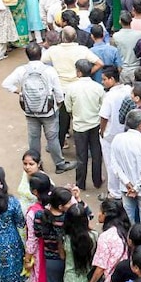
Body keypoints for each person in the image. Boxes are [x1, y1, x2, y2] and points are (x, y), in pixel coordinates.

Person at [2, 43, 75, 173]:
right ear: (41, 54)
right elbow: (58, 92)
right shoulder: (49, 70)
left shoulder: (22, 70)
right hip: (48, 111)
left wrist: (19, 92)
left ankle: (36, 165)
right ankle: (59, 164)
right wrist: (58, 104)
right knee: (52, 138)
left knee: (34, 139)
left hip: (30, 110)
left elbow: (6, 83)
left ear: (27, 55)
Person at [64, 59, 106, 190]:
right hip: (95, 124)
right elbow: (103, 107)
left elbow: (68, 108)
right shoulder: (98, 87)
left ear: (79, 72)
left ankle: (80, 184)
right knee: (96, 154)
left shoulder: (71, 88)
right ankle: (97, 181)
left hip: (79, 126)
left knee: (81, 156)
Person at [110, 110, 141, 229]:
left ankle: (128, 244)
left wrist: (127, 183)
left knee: (128, 218)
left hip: (126, 188)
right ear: (140, 125)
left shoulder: (117, 139)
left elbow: (114, 164)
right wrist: (137, 187)